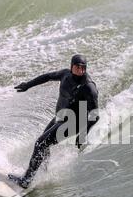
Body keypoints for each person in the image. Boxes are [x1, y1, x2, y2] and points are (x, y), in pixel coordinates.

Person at [8, 55, 99, 189]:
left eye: (83, 68)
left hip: (74, 122)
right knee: (44, 145)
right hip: (61, 117)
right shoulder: (65, 75)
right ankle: (42, 174)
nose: (80, 70)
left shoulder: (88, 87)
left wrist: (83, 135)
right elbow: (48, 77)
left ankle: (26, 180)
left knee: (41, 143)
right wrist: (28, 85)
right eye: (77, 67)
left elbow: (95, 115)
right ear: (71, 66)